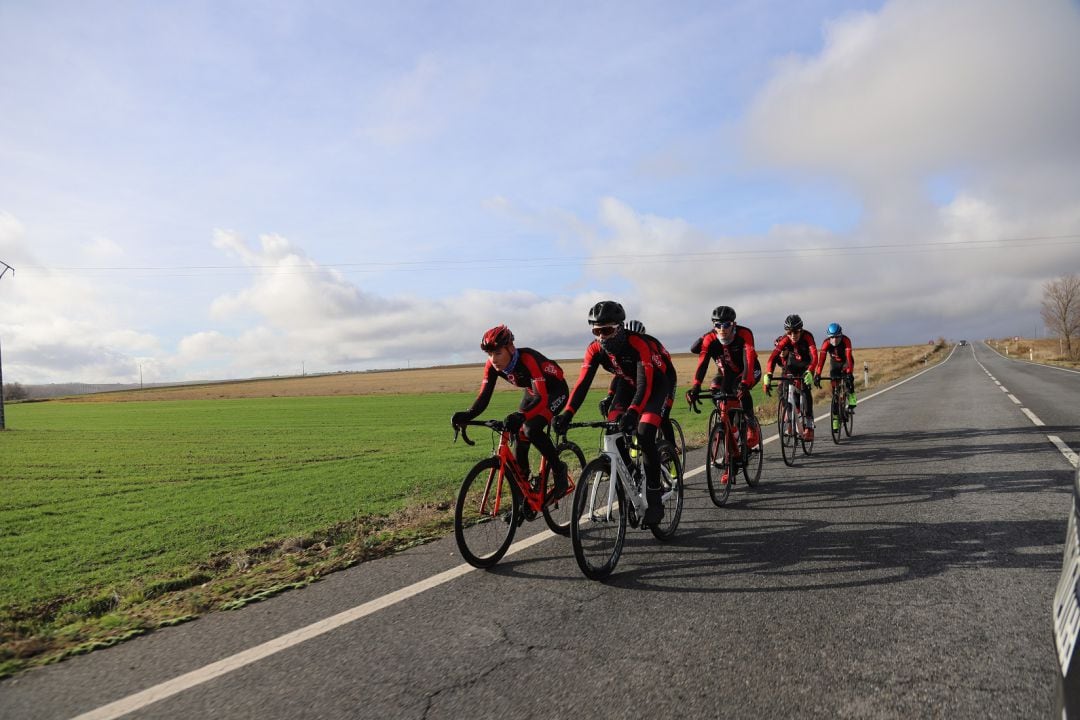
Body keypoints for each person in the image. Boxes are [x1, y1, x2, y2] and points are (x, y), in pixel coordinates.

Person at [553, 301, 674, 527]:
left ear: (619, 327)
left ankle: (655, 498)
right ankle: (632, 479)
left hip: (656, 383)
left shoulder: (638, 343)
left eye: (606, 330)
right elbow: (582, 385)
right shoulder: (595, 349)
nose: (601, 337)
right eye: (596, 331)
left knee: (645, 433)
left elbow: (645, 385)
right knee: (613, 425)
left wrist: (634, 412)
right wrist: (567, 413)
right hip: (627, 384)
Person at [451, 325, 570, 497]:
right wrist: (467, 415)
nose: (493, 359)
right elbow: (484, 397)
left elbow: (542, 399)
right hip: (532, 392)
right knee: (518, 433)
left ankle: (559, 470)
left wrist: (522, 416)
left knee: (530, 428)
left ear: (511, 348)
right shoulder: (492, 366)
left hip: (554, 391)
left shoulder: (528, 359)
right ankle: (525, 491)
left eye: (498, 353)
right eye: (489, 354)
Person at [685, 306, 762, 475]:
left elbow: (749, 358)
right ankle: (731, 437)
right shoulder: (709, 338)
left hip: (748, 370)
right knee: (716, 391)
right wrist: (695, 387)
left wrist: (745, 383)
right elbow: (702, 363)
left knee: (741, 391)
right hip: (726, 374)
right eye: (717, 325)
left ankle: (751, 425)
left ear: (733, 324)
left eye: (726, 325)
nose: (722, 329)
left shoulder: (744, 334)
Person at [598, 320, 679, 451]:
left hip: (664, 379)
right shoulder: (623, 348)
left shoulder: (650, 344)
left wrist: (667, 396)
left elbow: (667, 368)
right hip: (638, 382)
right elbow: (620, 375)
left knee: (663, 416)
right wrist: (610, 395)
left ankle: (672, 449)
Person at [764, 314, 818, 441]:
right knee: (783, 388)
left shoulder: (808, 336)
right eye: (789, 332)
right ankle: (790, 418)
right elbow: (772, 358)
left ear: (801, 329)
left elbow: (815, 357)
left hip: (806, 365)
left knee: (805, 390)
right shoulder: (785, 339)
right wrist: (769, 374)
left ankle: (809, 424)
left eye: (796, 331)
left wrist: (810, 371)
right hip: (792, 365)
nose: (793, 335)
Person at [814, 322, 857, 410]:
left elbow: (848, 356)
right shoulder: (826, 343)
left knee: (848, 380)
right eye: (832, 337)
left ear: (841, 335)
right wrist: (818, 374)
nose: (834, 339)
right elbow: (821, 360)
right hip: (835, 363)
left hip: (846, 361)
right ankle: (837, 409)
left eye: (837, 336)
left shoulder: (846, 340)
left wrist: (849, 373)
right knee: (834, 385)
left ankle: (852, 396)